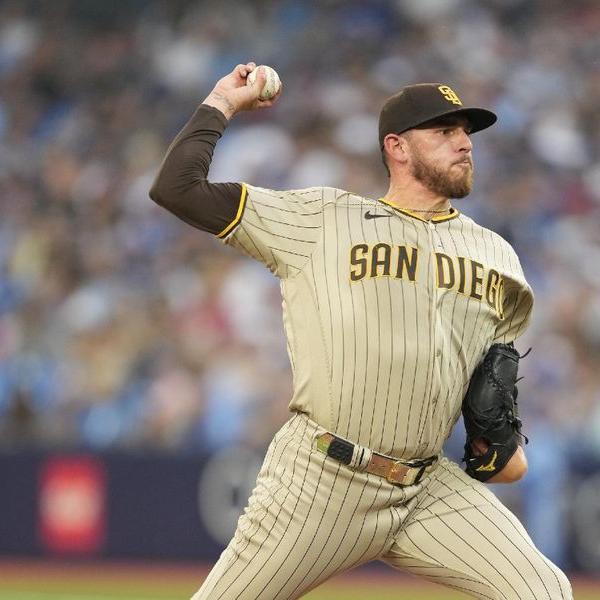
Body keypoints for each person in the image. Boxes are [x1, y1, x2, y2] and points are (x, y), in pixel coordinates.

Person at [150, 62, 572, 600]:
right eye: (445, 132)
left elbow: (492, 378)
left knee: (544, 591)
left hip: (427, 488)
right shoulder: (322, 219)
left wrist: (498, 436)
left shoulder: (498, 256)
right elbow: (177, 187)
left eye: (467, 132)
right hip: (322, 479)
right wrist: (221, 101)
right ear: (397, 147)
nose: (464, 143)